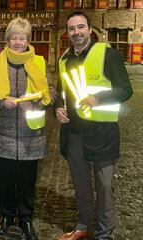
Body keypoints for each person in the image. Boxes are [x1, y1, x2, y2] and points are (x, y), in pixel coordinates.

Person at [55, 11, 133, 240]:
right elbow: (62, 93)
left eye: (80, 27)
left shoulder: (107, 54)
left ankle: (104, 233)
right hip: (75, 134)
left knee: (105, 187)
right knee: (81, 186)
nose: (76, 32)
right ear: (67, 32)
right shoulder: (64, 59)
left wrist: (98, 99)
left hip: (102, 133)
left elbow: (125, 90)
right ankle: (83, 226)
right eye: (71, 29)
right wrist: (58, 108)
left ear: (90, 30)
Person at [0, 17, 56, 240]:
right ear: (8, 39)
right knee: (3, 179)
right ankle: (6, 215)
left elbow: (50, 90)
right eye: (14, 37)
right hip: (1, 132)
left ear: (28, 39)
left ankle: (25, 218)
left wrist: (40, 99)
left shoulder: (39, 62)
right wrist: (0, 102)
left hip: (30, 134)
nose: (18, 42)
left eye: (22, 37)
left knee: (26, 181)